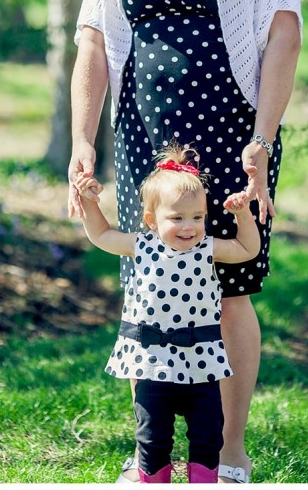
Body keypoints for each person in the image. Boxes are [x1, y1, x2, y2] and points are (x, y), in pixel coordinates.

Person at [69, 0, 302, 484]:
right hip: (146, 139)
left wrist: (262, 136)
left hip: (232, 133)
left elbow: (283, 34)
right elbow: (94, 43)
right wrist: (84, 139)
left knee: (228, 287)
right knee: (153, 288)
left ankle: (227, 454)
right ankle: (154, 459)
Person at [74, 145, 259, 483]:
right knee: (153, 437)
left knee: (207, 436)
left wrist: (243, 216)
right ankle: (152, 478)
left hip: (201, 361)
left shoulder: (208, 248)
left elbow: (248, 250)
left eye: (197, 217)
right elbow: (100, 234)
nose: (189, 227)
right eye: (177, 218)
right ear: (151, 220)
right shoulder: (140, 245)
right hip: (151, 363)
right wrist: (89, 201)